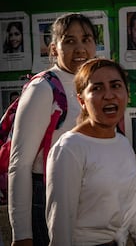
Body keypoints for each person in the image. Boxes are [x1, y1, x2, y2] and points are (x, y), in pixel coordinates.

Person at [46, 58, 136, 246]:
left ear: (126, 93)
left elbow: (135, 209)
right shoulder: (70, 149)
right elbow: (60, 223)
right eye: (97, 88)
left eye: (115, 86)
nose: (109, 95)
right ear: (82, 100)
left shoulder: (122, 144)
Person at [8, 13, 97, 246]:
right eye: (69, 41)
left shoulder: (95, 84)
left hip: (87, 200)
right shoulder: (43, 87)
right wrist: (22, 234)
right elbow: (20, 164)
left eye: (86, 39)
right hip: (47, 198)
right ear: (54, 49)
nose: (80, 49)